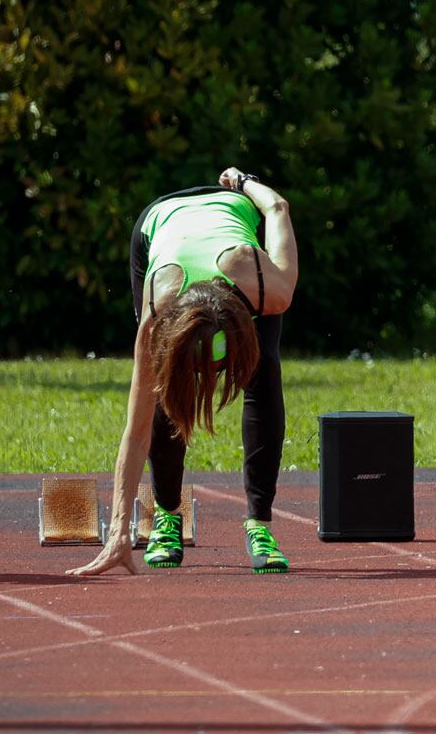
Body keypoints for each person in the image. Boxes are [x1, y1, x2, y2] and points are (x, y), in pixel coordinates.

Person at [68, 167, 298, 577]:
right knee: (163, 385)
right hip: (159, 222)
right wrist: (119, 530)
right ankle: (166, 517)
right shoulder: (156, 320)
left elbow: (277, 206)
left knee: (265, 374)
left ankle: (260, 524)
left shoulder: (268, 289)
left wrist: (244, 183)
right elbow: (135, 431)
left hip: (232, 220)